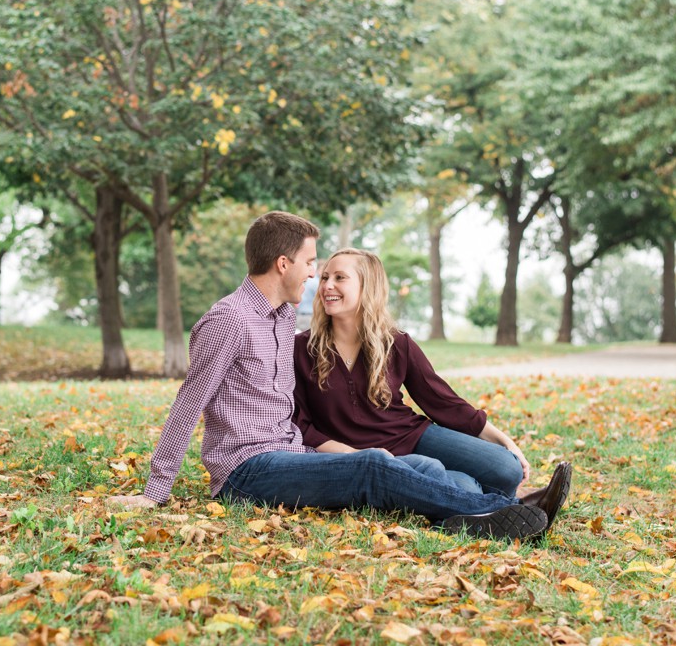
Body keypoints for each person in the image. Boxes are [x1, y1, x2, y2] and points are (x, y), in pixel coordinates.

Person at [109, 211, 558, 541]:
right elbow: (190, 401)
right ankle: (506, 511)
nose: (314, 276)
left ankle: (478, 515)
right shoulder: (229, 320)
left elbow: (292, 411)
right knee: (373, 464)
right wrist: (156, 490)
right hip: (244, 470)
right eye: (311, 264)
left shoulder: (282, 318)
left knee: (424, 466)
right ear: (283, 263)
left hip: (289, 452)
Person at [294, 248, 571, 532]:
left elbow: (441, 400)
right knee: (465, 487)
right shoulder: (302, 349)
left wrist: (504, 440)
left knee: (507, 469)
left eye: (340, 278)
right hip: (365, 456)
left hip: (411, 435)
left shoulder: (396, 343)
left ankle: (501, 501)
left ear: (367, 287)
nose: (327, 285)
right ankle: (510, 508)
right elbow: (302, 424)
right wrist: (356, 456)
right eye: (325, 277)